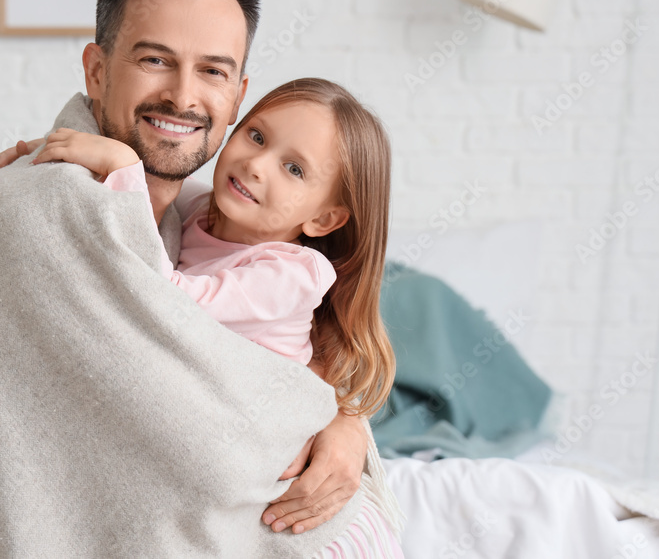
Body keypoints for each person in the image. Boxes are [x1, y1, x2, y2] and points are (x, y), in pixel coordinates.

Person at [0, 0, 372, 538]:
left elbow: (168, 298)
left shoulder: (285, 266)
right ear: (97, 71)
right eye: (156, 59)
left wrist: (344, 421)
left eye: (212, 70)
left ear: (236, 93)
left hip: (275, 487)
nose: (184, 98)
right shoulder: (185, 212)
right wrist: (48, 150)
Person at [30, 78, 404, 556]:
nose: (256, 165)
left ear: (324, 220)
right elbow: (150, 209)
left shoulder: (293, 274)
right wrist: (35, 157)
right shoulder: (199, 211)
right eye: (257, 136)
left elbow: (168, 304)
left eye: (293, 168)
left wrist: (125, 169)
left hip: (304, 531)